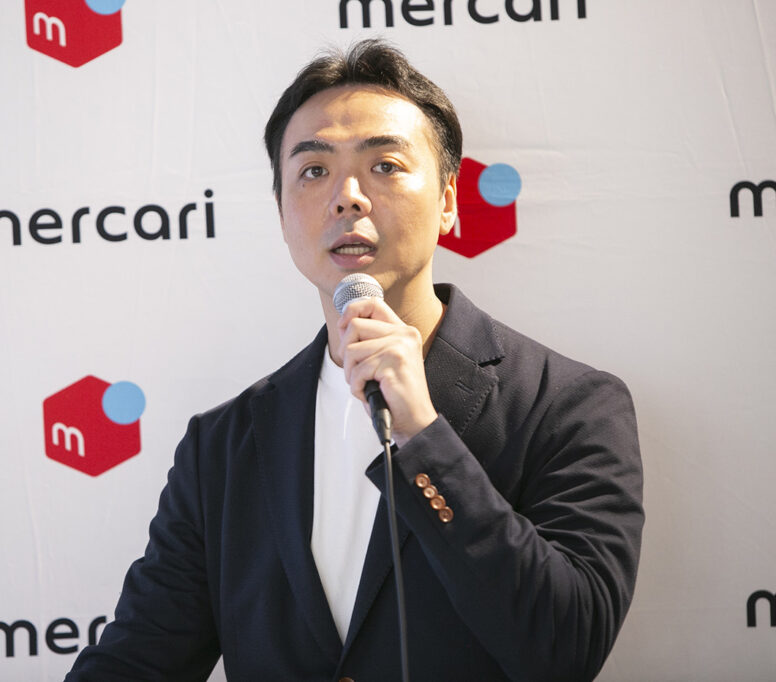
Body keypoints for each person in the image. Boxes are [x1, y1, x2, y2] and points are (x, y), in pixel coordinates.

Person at [66, 39, 644, 682]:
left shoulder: (568, 404)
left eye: (385, 165)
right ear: (282, 213)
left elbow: (567, 648)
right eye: (313, 171)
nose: (347, 197)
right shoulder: (224, 446)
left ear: (449, 201)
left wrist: (424, 435)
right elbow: (139, 659)